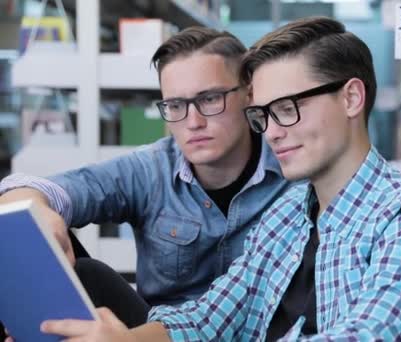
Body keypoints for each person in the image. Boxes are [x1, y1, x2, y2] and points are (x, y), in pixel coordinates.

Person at [39, 16, 401, 341]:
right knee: (86, 284)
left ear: (351, 97)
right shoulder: (289, 212)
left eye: (287, 108)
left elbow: (370, 335)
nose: (273, 131)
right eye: (263, 115)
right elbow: (212, 317)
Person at [0, 26, 289, 330]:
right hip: (159, 334)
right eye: (176, 105)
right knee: (76, 267)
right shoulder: (151, 168)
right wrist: (38, 212)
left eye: (210, 99)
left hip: (264, 332)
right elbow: (46, 189)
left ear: (248, 93)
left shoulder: (291, 165)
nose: (193, 122)